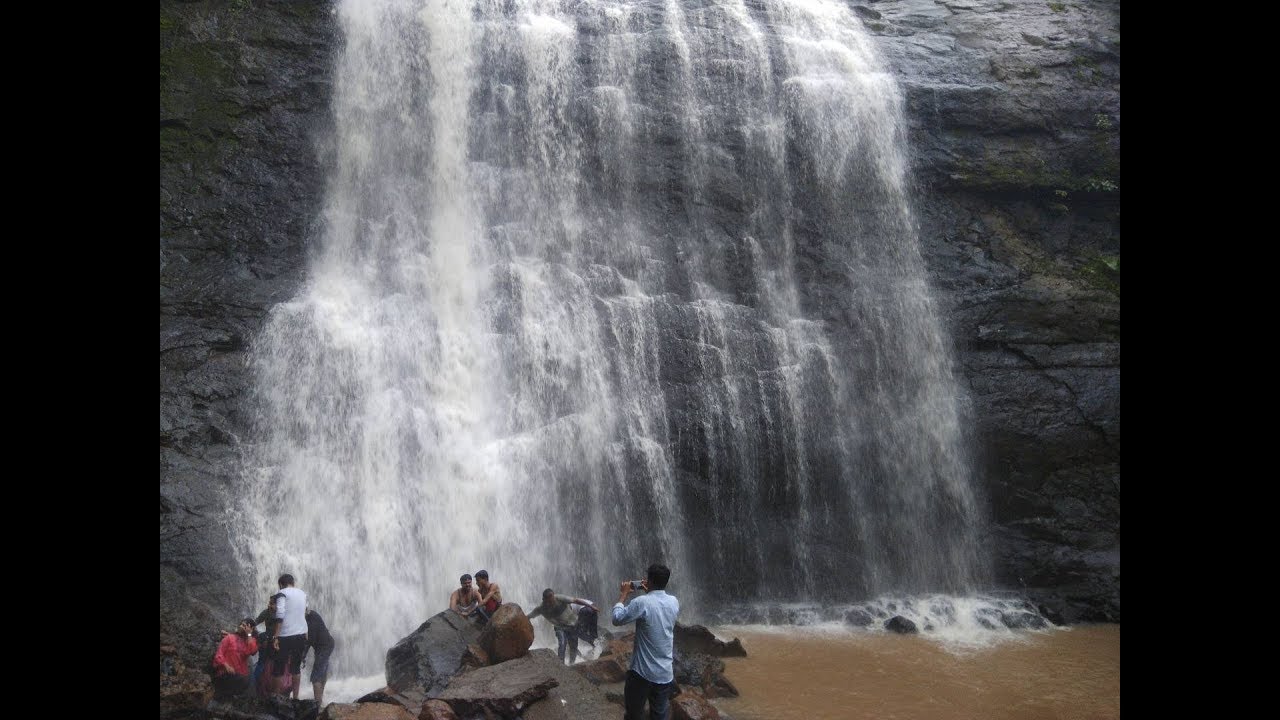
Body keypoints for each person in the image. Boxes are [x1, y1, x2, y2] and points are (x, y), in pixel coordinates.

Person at [612, 564, 679, 720]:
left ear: (649, 581)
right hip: (665, 673)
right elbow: (656, 606)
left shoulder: (642, 602)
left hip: (642, 674)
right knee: (659, 716)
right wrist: (650, 588)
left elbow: (617, 619)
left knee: (634, 715)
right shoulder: (674, 602)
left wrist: (623, 595)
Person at [527, 588, 601, 664]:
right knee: (562, 644)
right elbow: (530, 616)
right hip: (559, 627)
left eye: (552, 600)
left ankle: (571, 664)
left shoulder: (559, 598)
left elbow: (576, 600)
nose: (552, 603)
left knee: (573, 647)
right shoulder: (540, 609)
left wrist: (591, 607)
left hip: (573, 625)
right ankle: (561, 665)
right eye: (549, 601)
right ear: (544, 600)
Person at [271, 574, 308, 697]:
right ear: (293, 582)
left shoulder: (282, 593)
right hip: (300, 634)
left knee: (278, 668)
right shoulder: (302, 594)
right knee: (295, 668)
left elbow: (280, 613)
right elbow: (306, 612)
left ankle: (277, 697)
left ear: (281, 584)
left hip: (285, 635)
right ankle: (296, 698)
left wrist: (276, 636)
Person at [211, 617, 259, 700]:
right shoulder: (229, 638)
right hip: (225, 673)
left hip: (240, 676)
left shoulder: (249, 641)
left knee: (248, 680)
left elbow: (252, 651)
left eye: (244, 626)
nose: (241, 626)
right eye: (241, 624)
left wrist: (249, 634)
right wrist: (226, 665)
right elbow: (219, 654)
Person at [305, 607, 335, 707]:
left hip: (324, 646)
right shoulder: (311, 615)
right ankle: (320, 699)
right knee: (322, 672)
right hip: (326, 644)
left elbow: (310, 639)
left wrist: (302, 656)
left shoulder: (311, 618)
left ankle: (317, 705)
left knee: (315, 677)